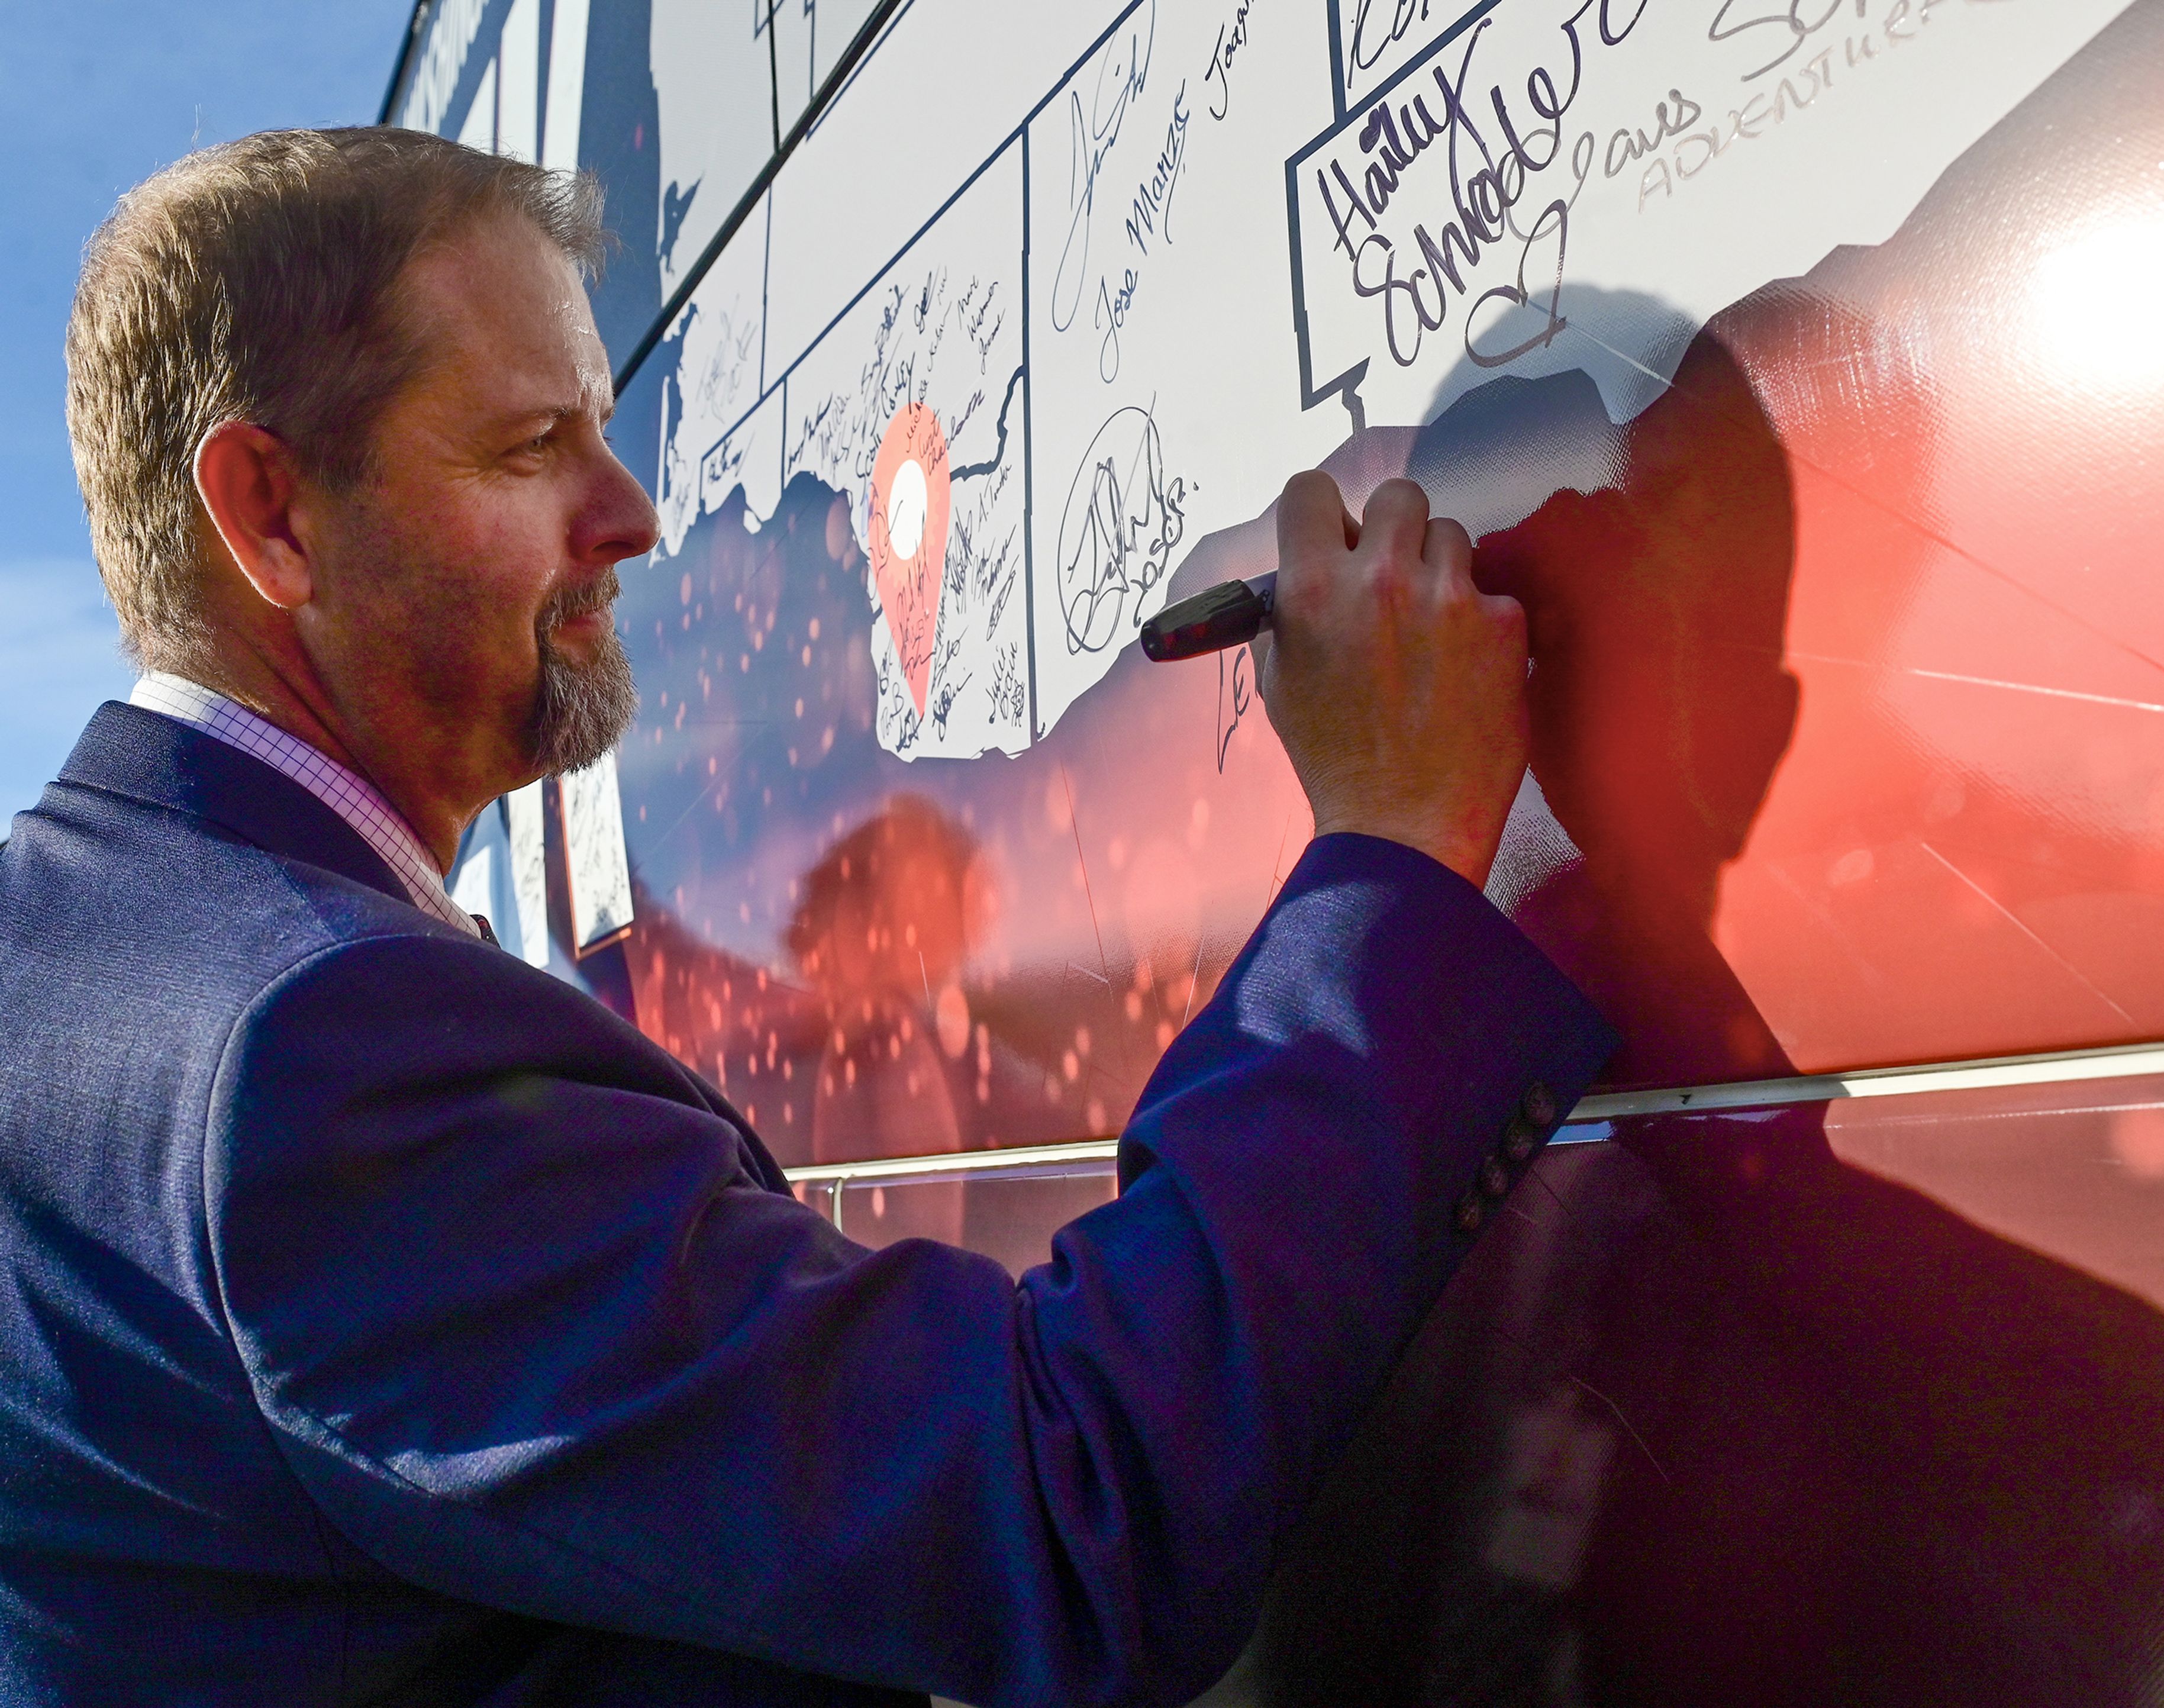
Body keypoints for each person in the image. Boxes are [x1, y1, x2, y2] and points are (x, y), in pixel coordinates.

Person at [0, 127, 1614, 1704]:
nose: (630, 514)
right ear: (270, 514)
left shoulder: (62, 954)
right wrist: (1395, 846)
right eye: (526, 448)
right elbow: (1063, 1520)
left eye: (604, 431)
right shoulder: (320, 1048)